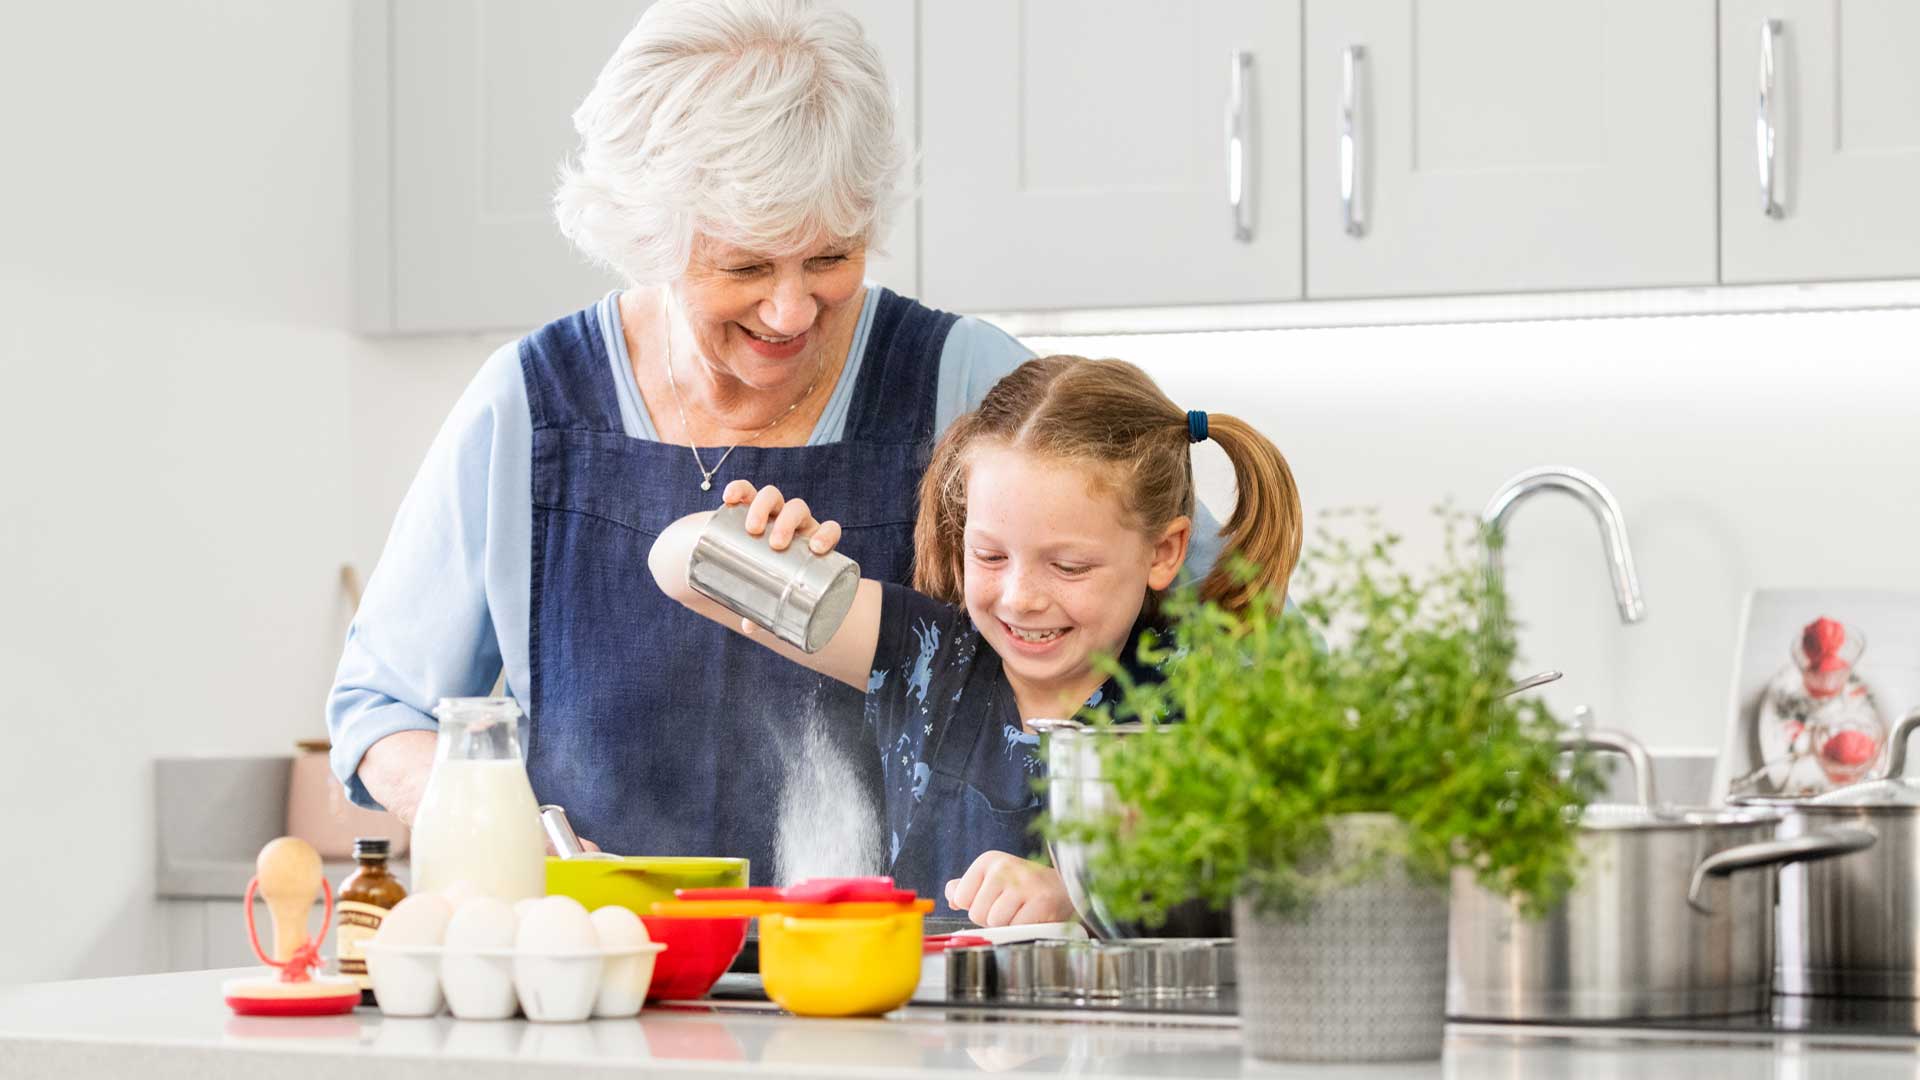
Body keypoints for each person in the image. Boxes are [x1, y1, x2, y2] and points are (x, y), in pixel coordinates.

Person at [324, 0, 1228, 881]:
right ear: (651, 238)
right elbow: (379, 708)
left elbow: (1240, 656)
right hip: (609, 978)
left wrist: (1077, 873)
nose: (791, 309)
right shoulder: (531, 407)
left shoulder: (972, 386)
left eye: (831, 258)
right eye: (746, 265)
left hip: (912, 996)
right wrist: (507, 834)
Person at [649, 356, 1303, 924]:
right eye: (990, 556)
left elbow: (1255, 880)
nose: (1020, 596)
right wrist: (752, 536)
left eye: (1068, 566)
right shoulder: (925, 654)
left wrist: (1076, 892)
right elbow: (677, 568)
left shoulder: (1212, 688)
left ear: (1164, 552)